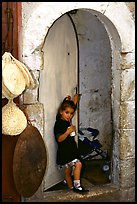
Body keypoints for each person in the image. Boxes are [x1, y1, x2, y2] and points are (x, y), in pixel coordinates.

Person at [54, 94, 89, 194]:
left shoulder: (66, 120)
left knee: (68, 172)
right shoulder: (59, 124)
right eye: (67, 113)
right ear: (61, 112)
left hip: (70, 151)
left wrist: (74, 101)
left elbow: (69, 109)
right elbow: (60, 139)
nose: (69, 116)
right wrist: (68, 132)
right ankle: (77, 186)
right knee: (78, 164)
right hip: (66, 152)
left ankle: (70, 188)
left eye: (71, 114)